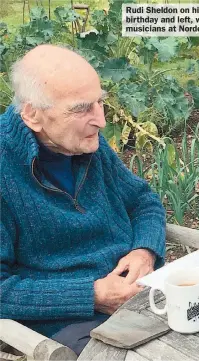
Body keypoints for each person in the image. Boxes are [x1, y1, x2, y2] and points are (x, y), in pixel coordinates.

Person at [0, 45, 166, 355]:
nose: (101, 120)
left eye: (99, 102)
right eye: (81, 108)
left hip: (143, 290)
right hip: (70, 321)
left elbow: (143, 201)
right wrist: (92, 294)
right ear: (32, 114)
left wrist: (144, 251)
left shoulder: (82, 142)